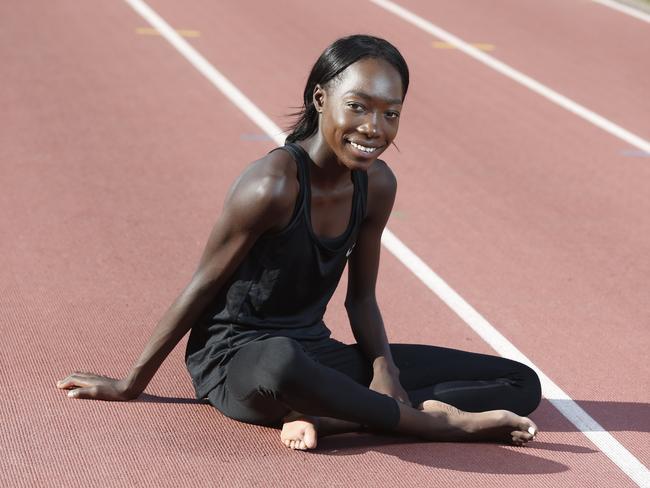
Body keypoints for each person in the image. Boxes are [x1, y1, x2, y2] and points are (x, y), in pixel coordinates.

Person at [57, 34, 541, 451]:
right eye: (358, 107)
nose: (374, 128)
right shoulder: (271, 185)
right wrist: (130, 384)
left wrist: (385, 372)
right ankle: (437, 424)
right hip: (239, 362)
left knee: (520, 382)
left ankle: (337, 419)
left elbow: (362, 298)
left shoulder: (377, 185)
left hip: (314, 354)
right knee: (282, 360)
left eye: (390, 113)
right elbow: (201, 286)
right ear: (319, 99)